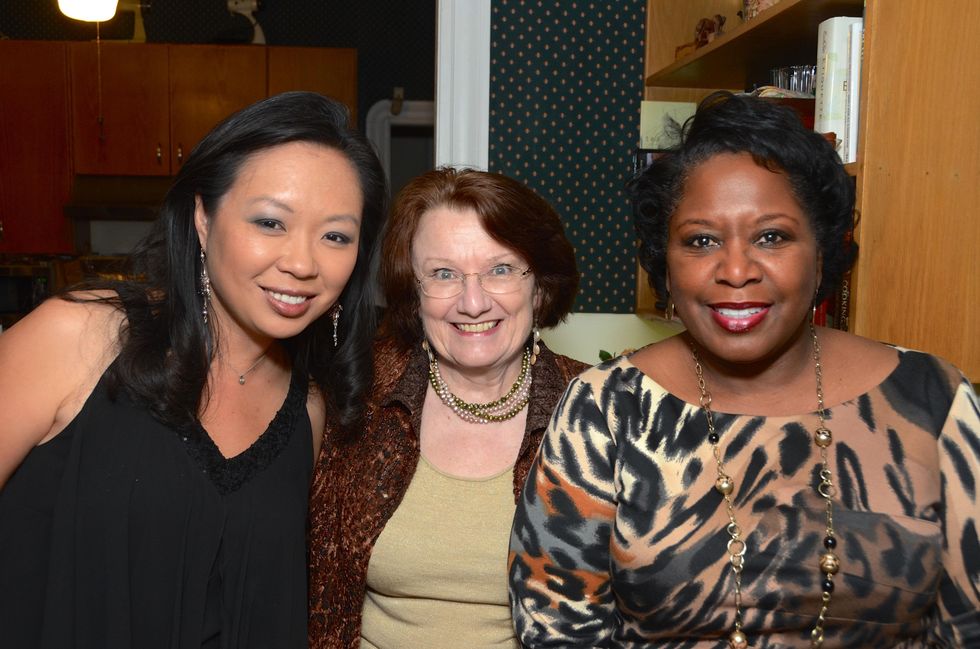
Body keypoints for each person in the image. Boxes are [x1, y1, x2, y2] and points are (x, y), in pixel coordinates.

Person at [508, 92, 980, 648]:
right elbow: (558, 628)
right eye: (701, 240)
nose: (735, 270)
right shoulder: (607, 409)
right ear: (666, 261)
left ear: (822, 251)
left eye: (772, 237)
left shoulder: (934, 400)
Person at [0, 91, 387, 648]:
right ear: (203, 218)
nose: (303, 263)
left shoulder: (308, 413)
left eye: (336, 236)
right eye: (270, 222)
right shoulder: (82, 337)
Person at [307, 167, 588, 649]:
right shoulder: (354, 393)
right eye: (443, 274)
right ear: (414, 294)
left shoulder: (599, 409)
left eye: (500, 269)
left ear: (539, 287)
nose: (472, 302)